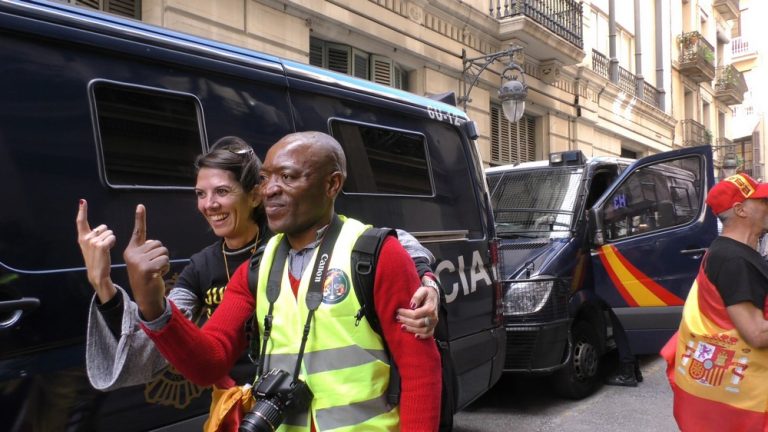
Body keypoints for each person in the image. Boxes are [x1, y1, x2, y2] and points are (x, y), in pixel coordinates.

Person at [77, 136, 440, 396]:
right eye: (200, 194)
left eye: (221, 192)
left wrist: (426, 282)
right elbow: (153, 352)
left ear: (252, 195)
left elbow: (392, 245)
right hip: (255, 408)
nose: (209, 205)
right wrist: (109, 288)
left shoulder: (297, 231)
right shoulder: (211, 268)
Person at [661, 173, 768, 431]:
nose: (767, 205)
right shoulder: (734, 259)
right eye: (762, 201)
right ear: (740, 210)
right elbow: (757, 334)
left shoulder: (724, 251)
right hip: (748, 389)